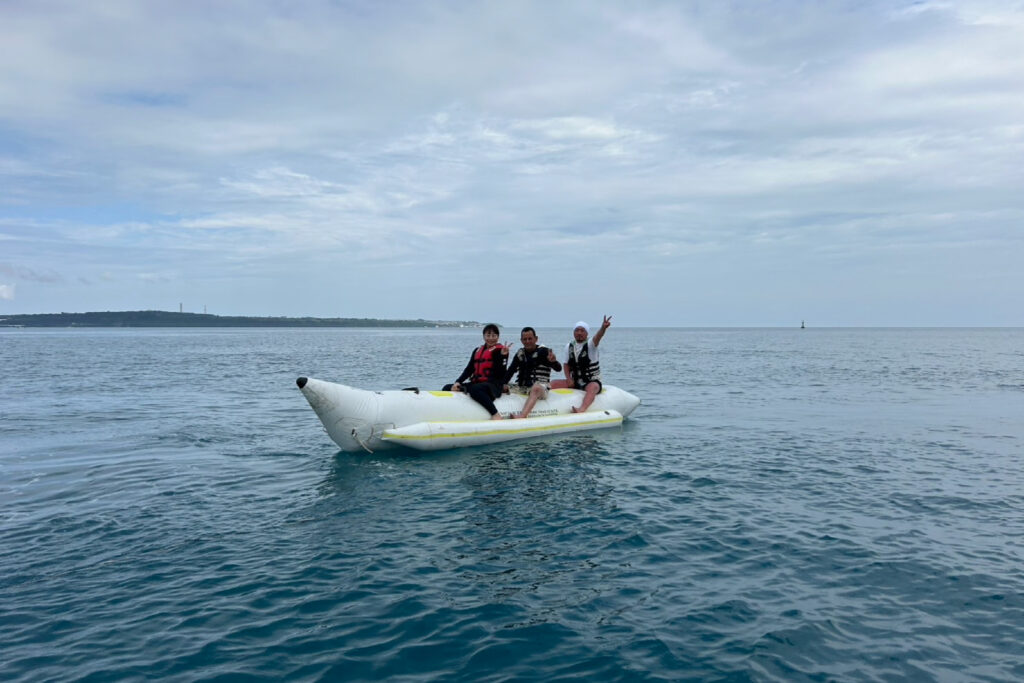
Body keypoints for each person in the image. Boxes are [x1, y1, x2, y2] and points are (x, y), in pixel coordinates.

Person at [443, 323, 509, 420]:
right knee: (447, 387)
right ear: (483, 336)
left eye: (494, 336)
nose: (491, 338)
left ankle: (495, 414)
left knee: (475, 389)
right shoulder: (477, 350)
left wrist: (504, 356)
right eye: (488, 335)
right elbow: (469, 369)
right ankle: (449, 414)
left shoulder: (500, 351)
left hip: (493, 386)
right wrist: (458, 382)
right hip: (477, 384)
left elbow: (501, 373)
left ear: (498, 337)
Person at [551, 315, 611, 413]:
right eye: (577, 330)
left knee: (593, 387)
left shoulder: (591, 344)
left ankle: (582, 409)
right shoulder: (568, 346)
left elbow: (598, 337)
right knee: (553, 383)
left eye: (582, 330)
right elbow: (566, 365)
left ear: (587, 333)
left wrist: (603, 328)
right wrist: (569, 379)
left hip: (590, 381)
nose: (579, 333)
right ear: (573, 332)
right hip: (575, 381)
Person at [504, 326, 562, 419]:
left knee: (536, 388)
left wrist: (553, 362)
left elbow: (558, 369)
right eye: (525, 339)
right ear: (521, 340)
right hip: (523, 387)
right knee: (503, 387)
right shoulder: (520, 354)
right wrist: (501, 384)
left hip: (541, 388)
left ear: (536, 339)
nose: (527, 341)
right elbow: (510, 371)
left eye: (530, 339)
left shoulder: (543, 352)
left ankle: (522, 415)